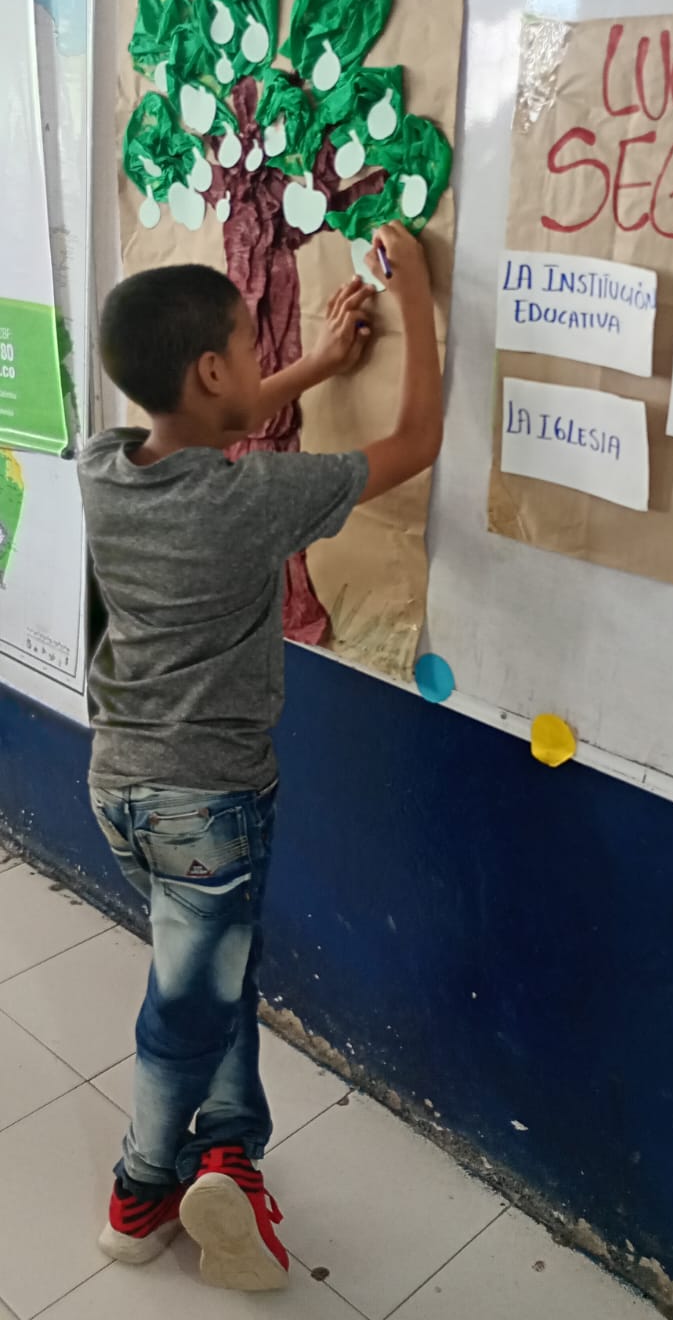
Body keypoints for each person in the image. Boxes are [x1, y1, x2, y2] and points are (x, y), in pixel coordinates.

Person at [78, 221, 443, 1292]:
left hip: (119, 786)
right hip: (209, 804)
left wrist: (317, 364)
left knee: (214, 971)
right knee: (186, 1003)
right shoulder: (248, 504)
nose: (256, 362)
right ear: (209, 370)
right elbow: (416, 438)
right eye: (248, 347)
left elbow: (211, 424)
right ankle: (140, 1191)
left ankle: (229, 1153)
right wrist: (418, 298)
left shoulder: (105, 466)